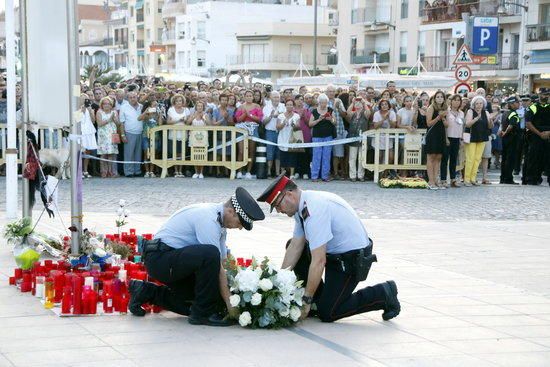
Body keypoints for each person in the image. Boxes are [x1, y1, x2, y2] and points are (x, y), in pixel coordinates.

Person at [257, 173, 400, 323]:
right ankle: (317, 300)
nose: (279, 211)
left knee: (328, 312)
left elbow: (319, 261)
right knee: (291, 246)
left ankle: (383, 293)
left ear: (289, 195)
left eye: (278, 205)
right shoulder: (301, 207)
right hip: (334, 255)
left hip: (350, 259)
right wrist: (279, 283)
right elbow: (295, 246)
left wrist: (306, 300)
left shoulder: (314, 209)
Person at [130, 187, 265, 326]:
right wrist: (231, 304)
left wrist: (239, 285)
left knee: (199, 302)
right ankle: (203, 314)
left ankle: (146, 292)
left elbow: (225, 262)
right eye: (240, 223)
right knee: (211, 254)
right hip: (160, 259)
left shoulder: (220, 223)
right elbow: (217, 265)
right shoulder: (208, 219)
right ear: (231, 212)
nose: (240, 227)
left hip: (174, 261)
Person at [464, 95, 493, 186]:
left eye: (480, 103)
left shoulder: (486, 113)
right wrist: (476, 118)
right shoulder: (470, 111)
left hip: (482, 137)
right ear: (474, 104)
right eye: (477, 103)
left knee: (477, 159)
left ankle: (473, 178)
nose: (479, 105)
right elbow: (467, 125)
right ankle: (467, 179)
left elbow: (489, 126)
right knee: (470, 158)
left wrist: (491, 121)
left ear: (483, 104)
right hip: (472, 137)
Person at [235, 90, 263, 179]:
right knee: (241, 151)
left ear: (253, 97)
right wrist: (244, 114)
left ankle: (248, 171)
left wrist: (249, 115)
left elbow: (259, 119)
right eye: (247, 96)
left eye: (250, 96)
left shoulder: (257, 106)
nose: (249, 97)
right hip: (242, 129)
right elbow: (238, 119)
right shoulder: (240, 107)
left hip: (253, 129)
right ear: (244, 97)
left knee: (251, 151)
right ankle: (239, 171)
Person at [524, 88, 550, 186]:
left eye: (547, 94)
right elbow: (528, 123)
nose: (546, 96)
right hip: (536, 136)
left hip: (548, 136)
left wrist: (548, 133)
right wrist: (540, 134)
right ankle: (532, 179)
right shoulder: (533, 107)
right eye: (544, 94)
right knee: (534, 158)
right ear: (539, 95)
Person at [310, 94, 336, 182]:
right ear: (319, 102)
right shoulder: (314, 111)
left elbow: (335, 122)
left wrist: (330, 119)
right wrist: (318, 120)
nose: (324, 104)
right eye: (322, 103)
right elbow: (310, 124)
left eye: (325, 103)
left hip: (328, 136)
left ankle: (325, 176)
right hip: (317, 136)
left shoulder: (330, 110)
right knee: (316, 156)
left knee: (327, 156)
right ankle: (314, 176)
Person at [425, 91, 448, 189]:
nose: (439, 98)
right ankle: (431, 181)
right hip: (432, 134)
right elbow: (428, 123)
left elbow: (447, 125)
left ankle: (435, 180)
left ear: (444, 99)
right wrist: (438, 117)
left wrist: (443, 118)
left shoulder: (445, 109)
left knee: (438, 157)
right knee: (431, 157)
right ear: (434, 98)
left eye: (441, 97)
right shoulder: (431, 108)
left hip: (441, 134)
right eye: (437, 97)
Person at [442, 94, 464, 188]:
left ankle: (453, 179)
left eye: (458, 100)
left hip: (457, 137)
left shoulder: (461, 113)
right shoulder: (447, 112)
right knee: (445, 159)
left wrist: (461, 138)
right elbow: (445, 127)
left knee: (454, 159)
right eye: (454, 100)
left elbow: (462, 126)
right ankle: (443, 179)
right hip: (448, 137)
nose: (456, 102)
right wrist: (446, 138)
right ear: (451, 101)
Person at [119, 92, 143, 177]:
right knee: (129, 154)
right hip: (129, 133)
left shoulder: (141, 106)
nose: (133, 99)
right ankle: (128, 172)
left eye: (134, 97)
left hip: (140, 132)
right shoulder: (123, 107)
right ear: (127, 99)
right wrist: (122, 135)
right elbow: (121, 123)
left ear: (137, 97)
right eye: (131, 97)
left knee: (138, 154)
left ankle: (137, 171)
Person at [262, 91, 285, 178]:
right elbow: (264, 122)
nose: (276, 99)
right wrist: (271, 116)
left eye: (278, 97)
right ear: (271, 98)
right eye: (274, 97)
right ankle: (268, 172)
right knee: (270, 152)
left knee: (279, 152)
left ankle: (277, 172)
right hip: (270, 132)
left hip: (281, 132)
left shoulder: (283, 106)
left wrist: (280, 115)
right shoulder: (266, 108)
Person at [166, 94, 190, 178]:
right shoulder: (171, 110)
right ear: (174, 102)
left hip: (183, 134)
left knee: (182, 153)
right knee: (175, 153)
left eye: (180, 100)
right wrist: (178, 120)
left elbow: (188, 122)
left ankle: (180, 170)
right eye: (177, 101)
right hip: (173, 134)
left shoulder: (186, 110)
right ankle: (176, 171)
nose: (179, 102)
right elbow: (168, 122)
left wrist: (186, 120)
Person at [347, 97, 370, 181]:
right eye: (357, 103)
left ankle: (361, 175)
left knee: (361, 158)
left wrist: (364, 103)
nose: (358, 104)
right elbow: (348, 112)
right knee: (352, 158)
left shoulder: (364, 113)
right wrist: (352, 103)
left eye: (359, 103)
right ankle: (352, 175)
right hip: (353, 138)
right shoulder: (352, 113)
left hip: (362, 139)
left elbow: (369, 112)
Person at [96, 96, 119, 178]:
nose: (106, 105)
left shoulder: (114, 112)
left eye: (108, 104)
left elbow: (118, 123)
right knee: (103, 154)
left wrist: (114, 118)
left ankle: (111, 171)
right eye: (105, 103)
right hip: (103, 136)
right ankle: (104, 171)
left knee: (111, 154)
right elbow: (99, 124)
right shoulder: (99, 112)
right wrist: (109, 119)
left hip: (112, 135)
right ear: (101, 105)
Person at [187, 100, 211, 179]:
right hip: (194, 136)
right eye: (198, 106)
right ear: (196, 107)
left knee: (202, 153)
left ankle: (201, 172)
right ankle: (196, 171)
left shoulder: (205, 114)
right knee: (194, 153)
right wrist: (192, 117)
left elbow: (209, 124)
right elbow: (188, 122)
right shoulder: (193, 114)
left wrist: (203, 118)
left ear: (203, 107)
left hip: (203, 136)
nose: (199, 107)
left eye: (201, 106)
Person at [499, 96, 520, 184]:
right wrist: (505, 132)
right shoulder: (513, 113)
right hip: (512, 138)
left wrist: (502, 133)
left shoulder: (505, 113)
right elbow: (511, 125)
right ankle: (508, 178)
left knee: (504, 158)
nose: (519, 104)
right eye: (517, 102)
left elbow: (501, 124)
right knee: (510, 159)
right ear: (512, 104)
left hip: (505, 139)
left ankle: (503, 178)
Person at [139, 100, 163, 178]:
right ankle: (147, 171)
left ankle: (152, 171)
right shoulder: (147, 114)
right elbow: (139, 118)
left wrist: (160, 114)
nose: (155, 107)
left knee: (153, 153)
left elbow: (160, 125)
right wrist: (146, 112)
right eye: (153, 105)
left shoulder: (157, 114)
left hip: (155, 136)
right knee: (146, 153)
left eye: (156, 105)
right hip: (146, 135)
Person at [277, 99, 300, 179]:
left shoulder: (296, 116)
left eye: (291, 105)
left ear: (293, 106)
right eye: (288, 104)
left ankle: (292, 174)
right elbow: (278, 127)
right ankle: (283, 174)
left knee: (292, 156)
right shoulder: (281, 116)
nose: (289, 106)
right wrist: (283, 123)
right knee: (283, 156)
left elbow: (298, 127)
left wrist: (293, 124)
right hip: (282, 137)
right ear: (285, 106)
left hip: (292, 139)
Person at [80, 94, 98, 178]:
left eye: (87, 99)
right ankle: (79, 171)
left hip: (89, 131)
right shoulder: (76, 109)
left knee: (88, 151)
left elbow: (94, 121)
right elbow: (76, 120)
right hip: (81, 132)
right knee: (80, 152)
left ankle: (85, 170)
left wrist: (91, 111)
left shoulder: (90, 109)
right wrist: (81, 110)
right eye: (83, 99)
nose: (85, 101)